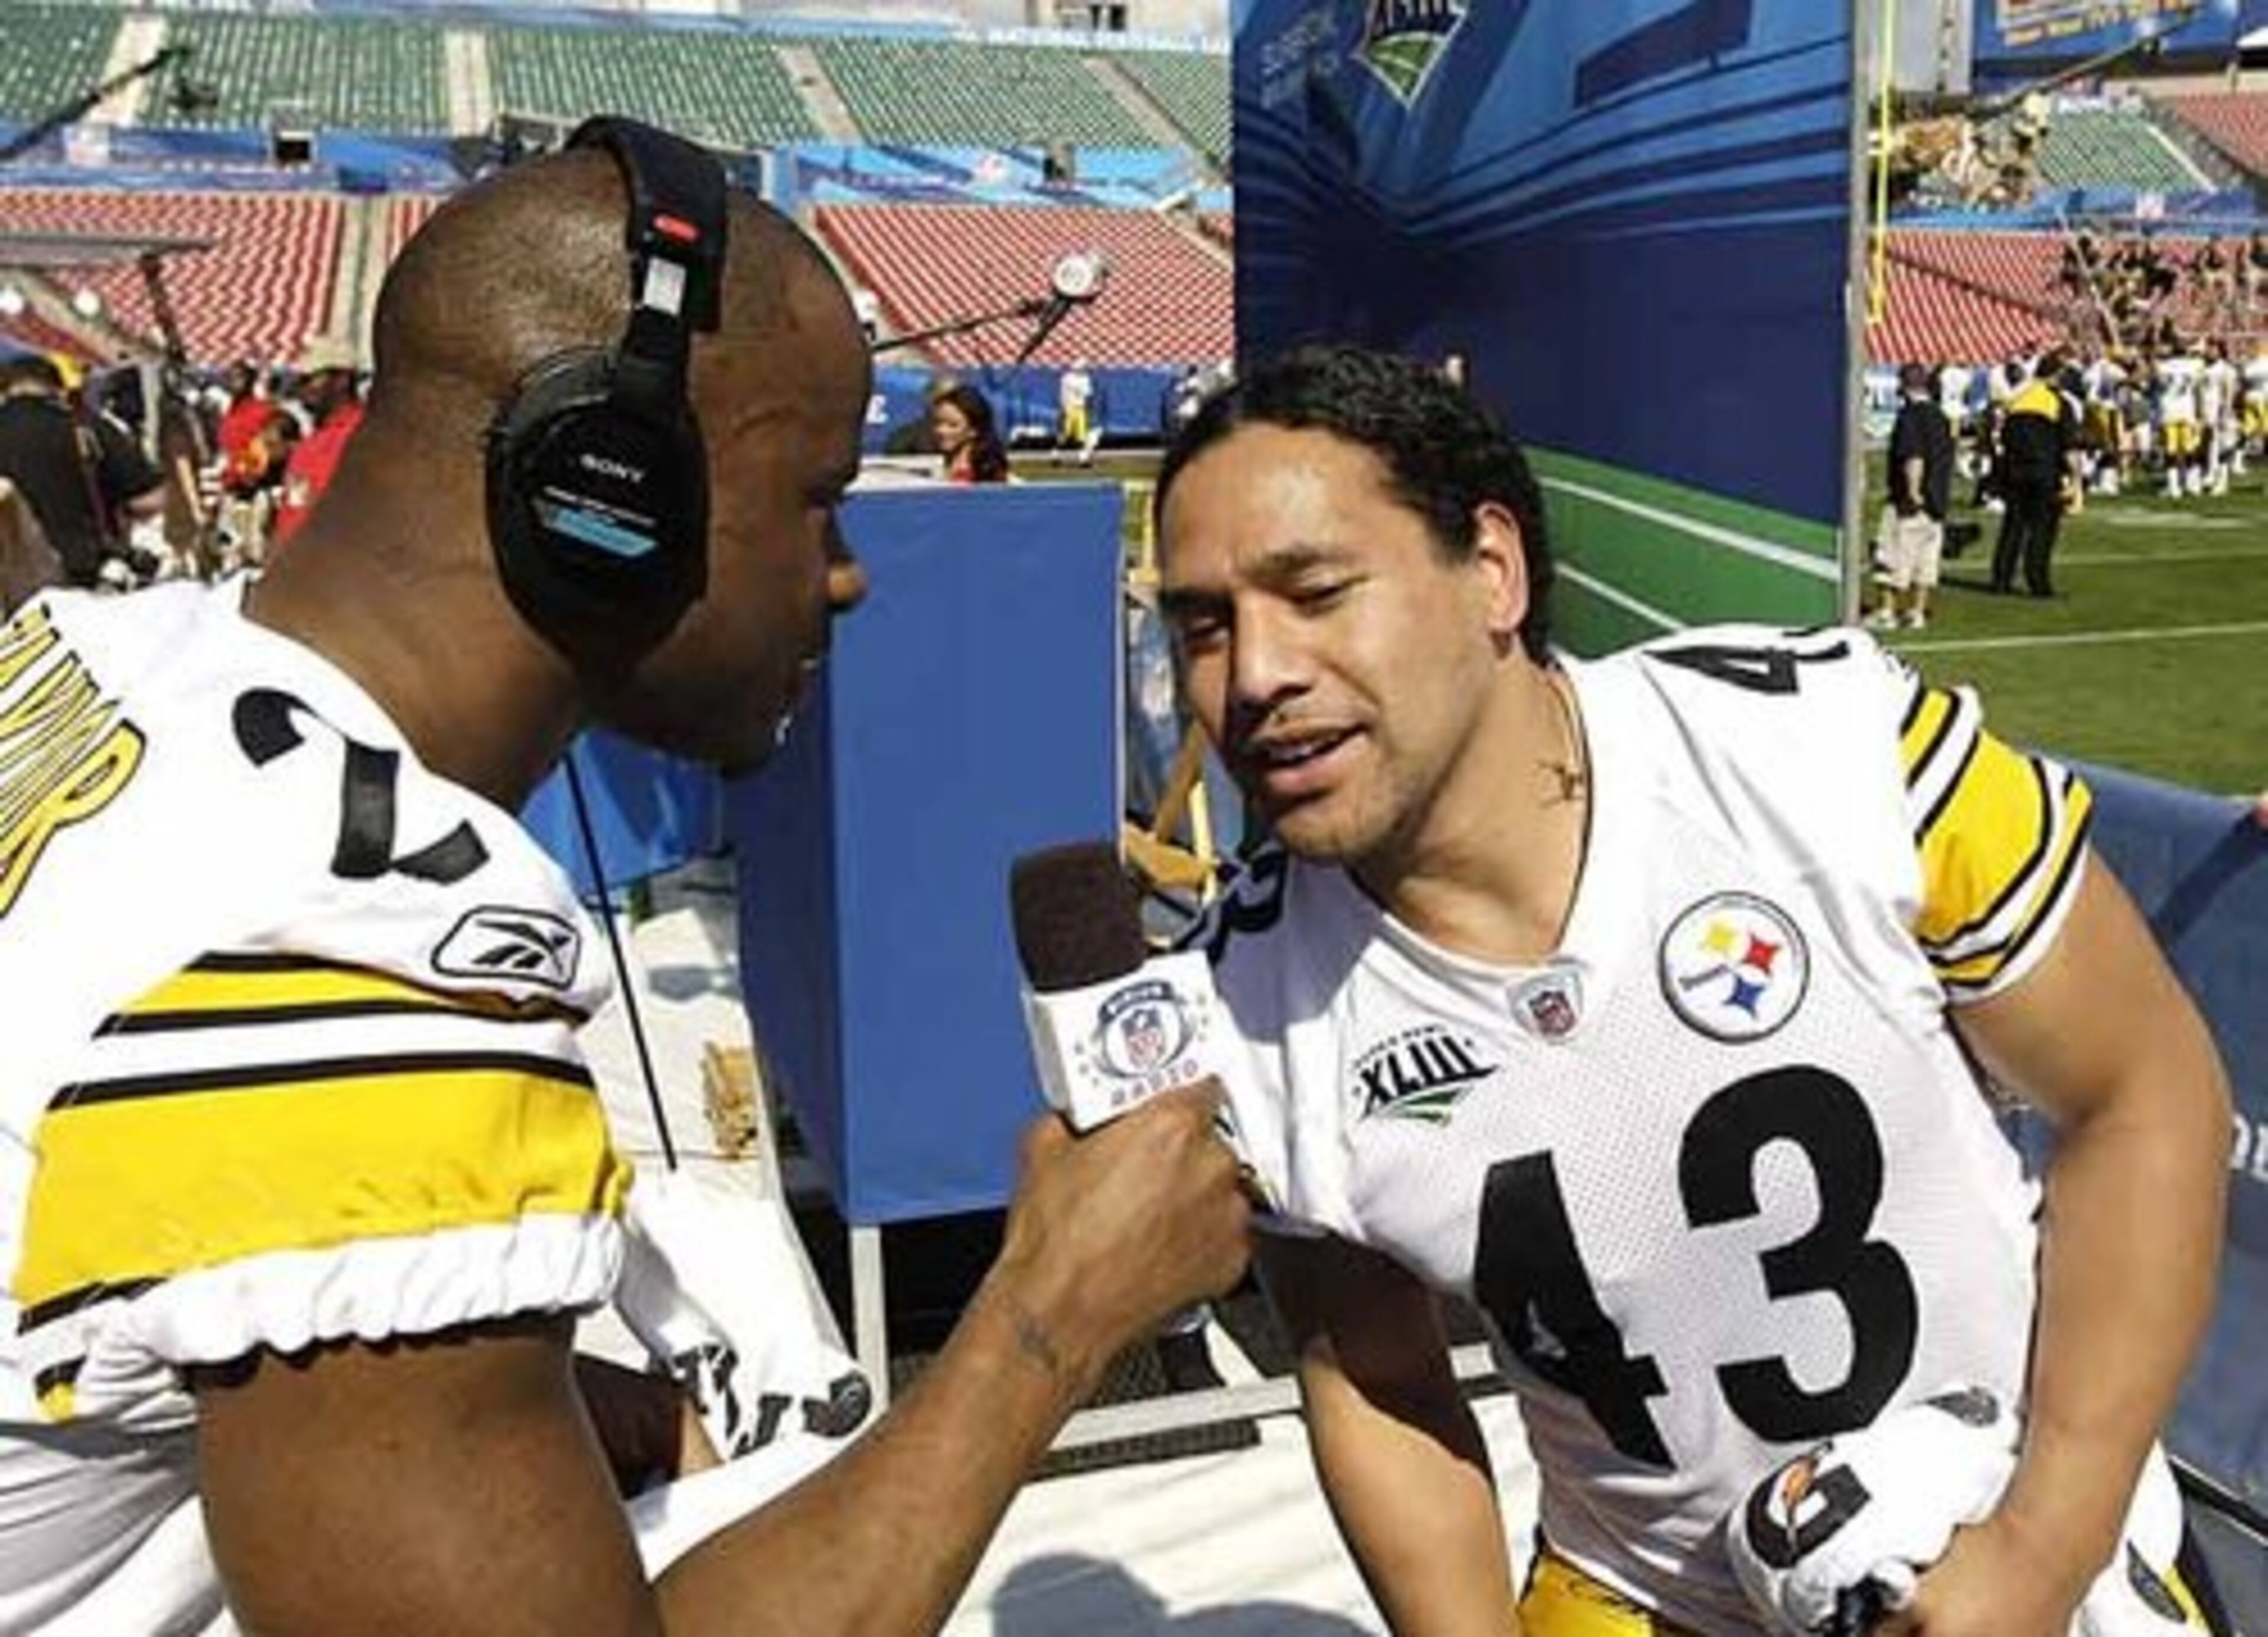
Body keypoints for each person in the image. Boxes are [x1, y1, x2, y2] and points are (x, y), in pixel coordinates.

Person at [0, 120, 1249, 1633]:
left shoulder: (115, 650)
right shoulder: (355, 939)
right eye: (817, 499)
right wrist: (1053, 1315)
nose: (846, 570)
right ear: (607, 491)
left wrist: (535, 1393)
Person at [1151, 345, 2231, 1636]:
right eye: (1204, 623)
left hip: (2005, 1539)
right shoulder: (1239, 1011)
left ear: (1491, 570)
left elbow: (2144, 1091)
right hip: (1641, 1597)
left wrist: (2045, 1544)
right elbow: (1379, 1376)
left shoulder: (1825, 749)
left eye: (1314, 592)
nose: (1255, 673)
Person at [0, 353, 164, 589]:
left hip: (9, 588)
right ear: (57, 388)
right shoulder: (88, 427)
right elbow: (149, 501)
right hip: (86, 578)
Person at [1869, 361, 1956, 632]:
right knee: (1926, 562)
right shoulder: (1941, 416)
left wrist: (1913, 490)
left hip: (1910, 501)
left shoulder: (1910, 416)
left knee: (1892, 555)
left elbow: (1914, 456)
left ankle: (1887, 611)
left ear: (1903, 385)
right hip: (1938, 500)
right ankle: (1916, 612)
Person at [1992, 351, 2081, 598]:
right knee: (2042, 530)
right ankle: (2038, 582)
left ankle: (2001, 578)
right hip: (2044, 472)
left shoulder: (2018, 399)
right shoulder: (2058, 403)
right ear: (2058, 375)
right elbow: (2070, 446)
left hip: (2014, 470)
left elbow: (2000, 435)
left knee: (2014, 526)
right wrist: (2076, 480)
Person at [269, 333, 367, 547]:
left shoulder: (365, 437)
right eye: (299, 380)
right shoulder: (310, 443)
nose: (301, 388)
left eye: (310, 378)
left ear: (341, 380)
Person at [931, 381, 1009, 484]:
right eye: (938, 422)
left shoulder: (984, 470)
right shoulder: (951, 463)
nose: (941, 430)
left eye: (953, 425)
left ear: (974, 430)